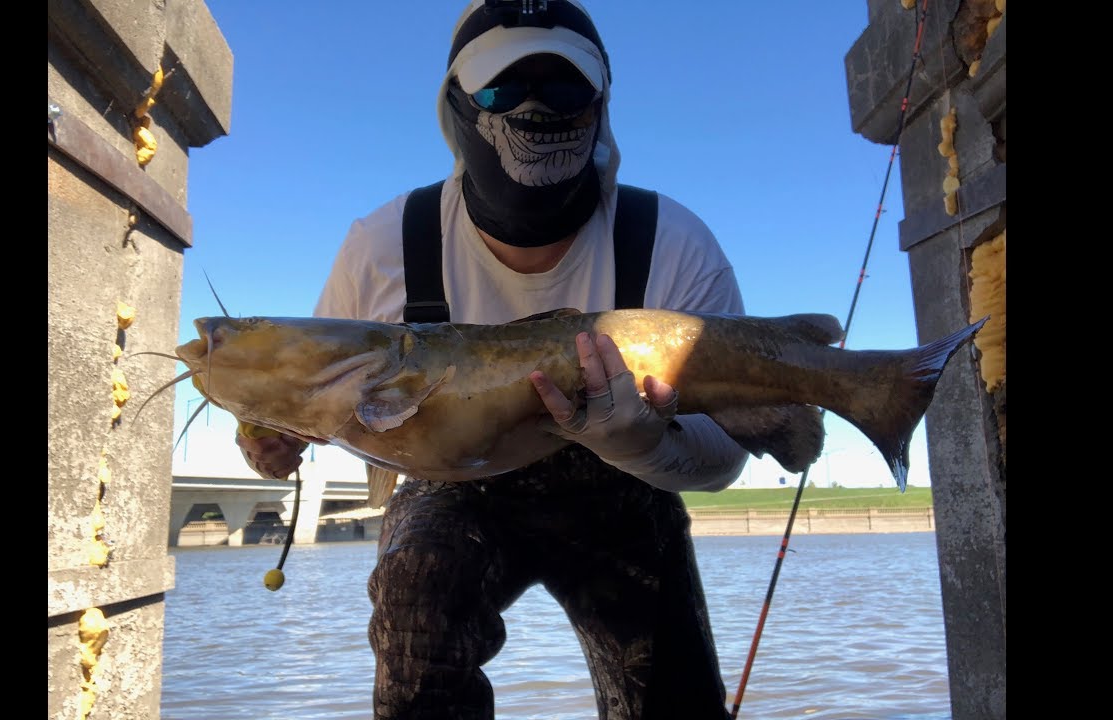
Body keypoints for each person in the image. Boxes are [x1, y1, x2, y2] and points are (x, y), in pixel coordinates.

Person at [238, 2, 750, 717]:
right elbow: (313, 404)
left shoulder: (672, 243)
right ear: (455, 105)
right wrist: (267, 439)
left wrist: (647, 444)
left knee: (674, 695)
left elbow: (726, 457)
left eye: (564, 89)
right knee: (417, 599)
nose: (533, 108)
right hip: (451, 491)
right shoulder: (382, 247)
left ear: (601, 106)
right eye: (502, 88)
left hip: (625, 487)